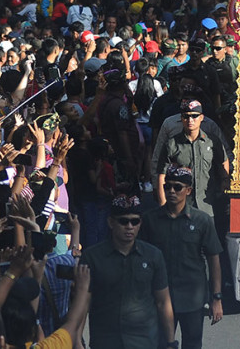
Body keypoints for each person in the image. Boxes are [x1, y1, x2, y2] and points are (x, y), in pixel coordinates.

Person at [141, 166, 223, 349]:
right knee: (160, 344)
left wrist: (216, 298)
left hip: (191, 298)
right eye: (167, 186)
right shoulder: (149, 220)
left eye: (177, 187)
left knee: (192, 344)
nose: (171, 191)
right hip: (158, 297)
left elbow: (214, 259)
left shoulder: (202, 220)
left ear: (188, 191)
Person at [82, 195, 177, 349]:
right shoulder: (92, 257)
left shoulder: (153, 255)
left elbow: (163, 301)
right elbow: (83, 303)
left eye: (135, 221)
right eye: (123, 221)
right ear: (111, 222)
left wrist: (171, 342)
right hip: (106, 340)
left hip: (144, 341)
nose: (130, 226)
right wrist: (77, 339)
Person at [155, 99, 228, 216]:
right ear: (181, 118)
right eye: (186, 116)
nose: (190, 120)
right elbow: (161, 176)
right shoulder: (171, 144)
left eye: (194, 116)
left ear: (202, 117)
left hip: (208, 206)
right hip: (180, 208)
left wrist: (224, 183)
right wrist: (164, 205)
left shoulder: (212, 141)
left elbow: (223, 161)